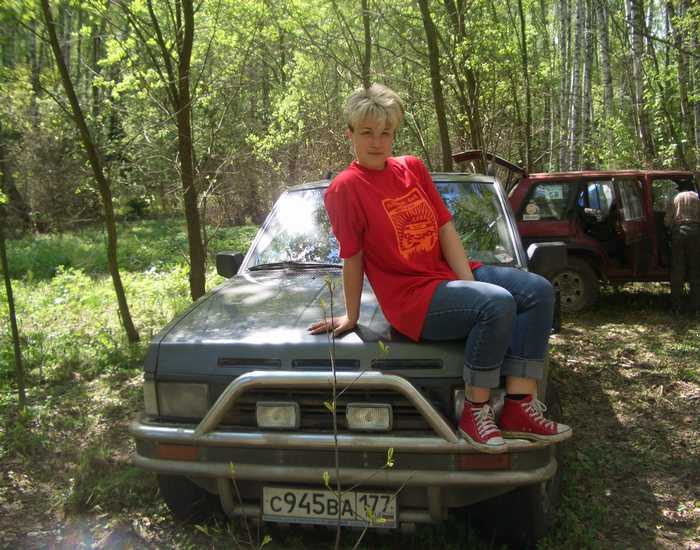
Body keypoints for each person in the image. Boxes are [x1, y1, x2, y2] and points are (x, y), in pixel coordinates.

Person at [308, 84, 571, 453]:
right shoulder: (345, 188)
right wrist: (351, 316)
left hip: (447, 276)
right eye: (367, 132)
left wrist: (469, 283)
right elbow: (352, 256)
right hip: (411, 298)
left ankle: (519, 408)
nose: (377, 142)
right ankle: (475, 412)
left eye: (386, 132)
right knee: (496, 303)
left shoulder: (412, 168)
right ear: (350, 134)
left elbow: (444, 226)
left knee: (538, 290)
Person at [664, 189, 700, 314]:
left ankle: (676, 307)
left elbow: (667, 221)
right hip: (696, 233)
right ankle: (696, 308)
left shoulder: (675, 198)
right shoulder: (697, 197)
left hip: (679, 232)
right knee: (696, 271)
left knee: (677, 271)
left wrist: (670, 230)